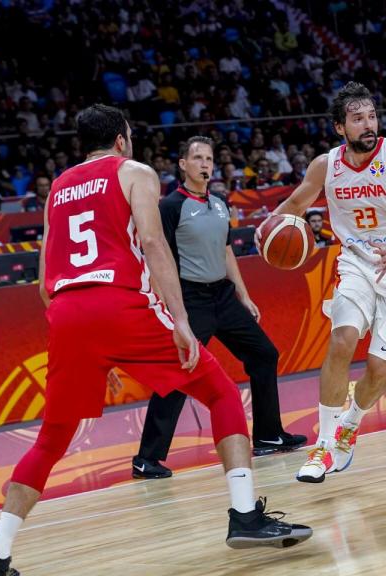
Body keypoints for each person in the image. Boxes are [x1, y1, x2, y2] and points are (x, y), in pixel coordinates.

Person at [0, 105, 311, 576]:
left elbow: (43, 283)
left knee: (51, 439)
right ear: (120, 140)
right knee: (220, 393)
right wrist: (180, 319)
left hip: (68, 311)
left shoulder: (57, 187)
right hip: (120, 301)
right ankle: (245, 515)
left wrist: (74, 320)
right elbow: (153, 244)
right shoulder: (134, 172)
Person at [265, 82, 386, 483]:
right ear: (340, 127)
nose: (368, 124)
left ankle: (351, 422)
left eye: (372, 116)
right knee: (342, 339)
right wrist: (266, 228)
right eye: (357, 119)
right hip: (356, 264)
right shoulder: (326, 166)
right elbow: (293, 206)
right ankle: (322, 447)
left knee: (378, 370)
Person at [132, 136, 307, 480]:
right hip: (191, 298)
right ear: (182, 164)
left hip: (224, 296)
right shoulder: (170, 206)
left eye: (209, 158)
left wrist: (243, 294)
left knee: (263, 354)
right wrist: (169, 304)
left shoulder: (220, 202)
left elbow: (226, 251)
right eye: (197, 158)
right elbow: (158, 255)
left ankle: (269, 434)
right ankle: (146, 458)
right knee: (178, 372)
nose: (205, 164)